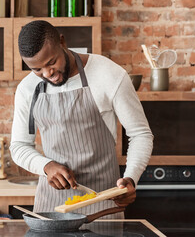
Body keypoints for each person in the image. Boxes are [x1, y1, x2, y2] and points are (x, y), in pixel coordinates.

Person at [10, 20, 153, 217]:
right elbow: (19, 146)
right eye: (37, 69)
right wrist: (46, 166)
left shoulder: (108, 74)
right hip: (52, 208)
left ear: (62, 42)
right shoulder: (27, 89)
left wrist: (130, 178)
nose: (47, 74)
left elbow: (140, 134)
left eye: (51, 62)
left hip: (104, 203)